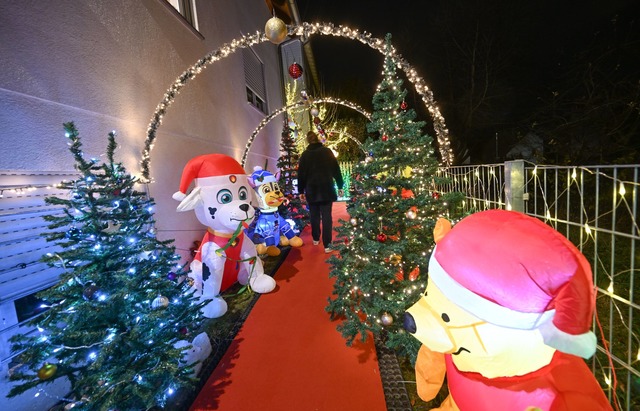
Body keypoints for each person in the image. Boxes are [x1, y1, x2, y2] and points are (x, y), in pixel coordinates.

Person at [297, 131, 344, 253]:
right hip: (326, 188)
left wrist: (301, 190)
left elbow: (301, 174)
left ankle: (316, 238)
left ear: (308, 141)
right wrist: (340, 186)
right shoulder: (327, 152)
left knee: (314, 215)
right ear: (318, 139)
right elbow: (336, 169)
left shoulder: (305, 155)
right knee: (327, 216)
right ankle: (327, 244)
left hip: (312, 189)